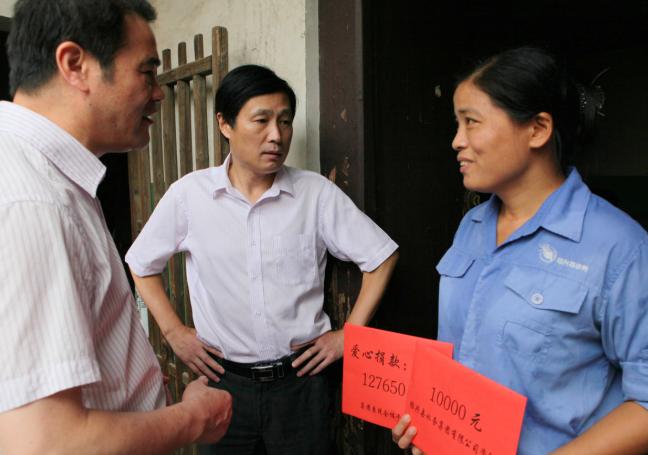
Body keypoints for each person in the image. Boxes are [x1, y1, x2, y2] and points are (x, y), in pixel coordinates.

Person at [126, 64, 399, 454]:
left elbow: (382, 257)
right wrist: (173, 333)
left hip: (301, 385)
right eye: (262, 120)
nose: (276, 135)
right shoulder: (190, 196)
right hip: (223, 383)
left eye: (285, 121)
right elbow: (141, 264)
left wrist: (350, 336)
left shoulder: (314, 194)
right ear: (225, 124)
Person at [0, 1, 232, 453]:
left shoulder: (47, 178)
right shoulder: (34, 201)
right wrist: (193, 418)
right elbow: (47, 444)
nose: (159, 93)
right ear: (75, 65)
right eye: (146, 71)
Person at [392, 47, 648, 454]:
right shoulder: (472, 226)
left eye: (471, 122)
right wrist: (425, 422)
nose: (457, 141)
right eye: (457, 124)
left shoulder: (619, 247)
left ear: (537, 129)